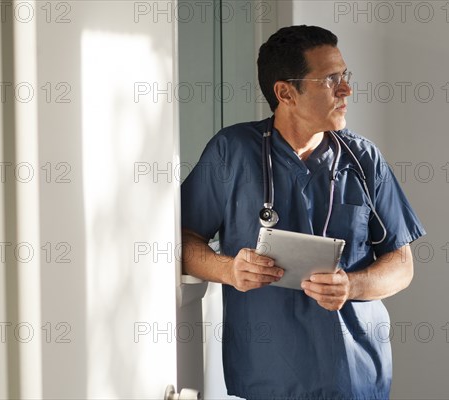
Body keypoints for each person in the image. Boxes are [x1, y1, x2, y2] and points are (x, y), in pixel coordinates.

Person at [181, 25, 425, 400]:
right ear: (285, 92)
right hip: (268, 379)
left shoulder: (363, 159)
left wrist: (352, 285)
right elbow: (182, 242)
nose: (346, 89)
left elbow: (402, 264)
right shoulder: (232, 152)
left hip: (357, 378)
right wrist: (228, 270)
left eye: (345, 76)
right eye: (330, 79)